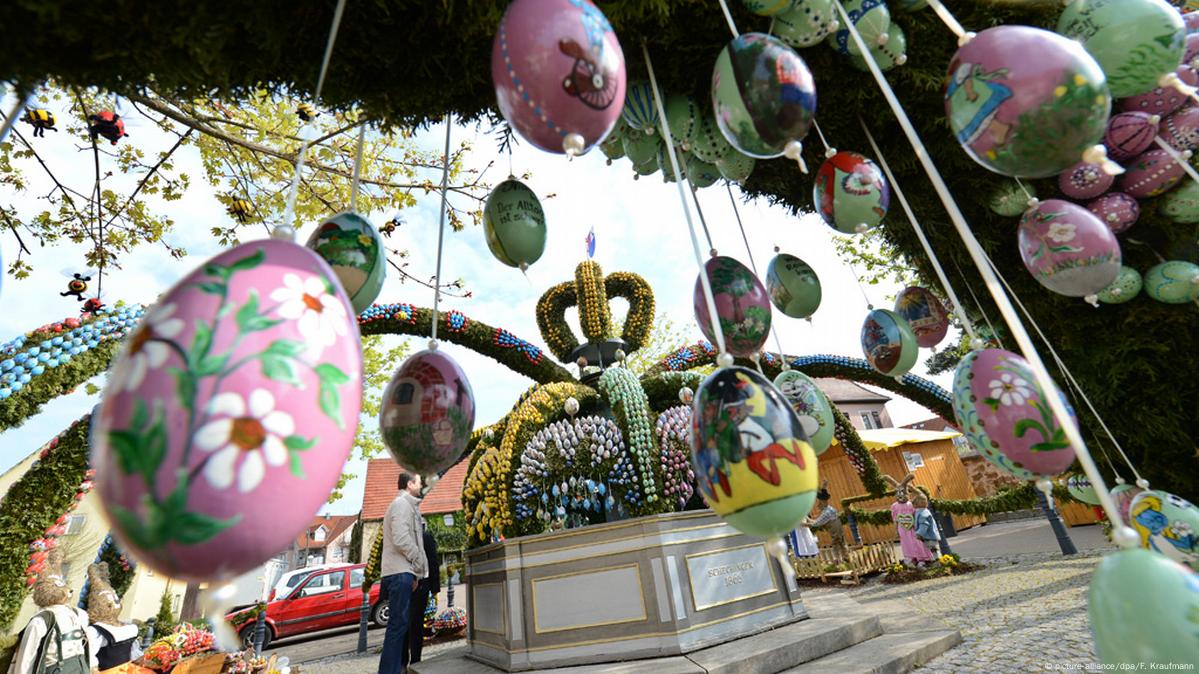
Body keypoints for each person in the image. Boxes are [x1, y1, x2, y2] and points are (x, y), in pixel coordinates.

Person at [378, 472, 427, 674]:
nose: (422, 484)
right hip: (399, 573)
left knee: (399, 626)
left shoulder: (407, 505)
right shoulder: (401, 505)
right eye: (418, 481)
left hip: (403, 572)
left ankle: (394, 670)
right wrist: (417, 559)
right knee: (397, 627)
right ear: (409, 484)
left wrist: (414, 573)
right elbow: (400, 539)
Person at [404, 523, 440, 667]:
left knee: (416, 624)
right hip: (407, 585)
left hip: (422, 586)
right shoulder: (404, 540)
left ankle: (415, 659)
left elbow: (433, 562)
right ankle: (407, 659)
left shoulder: (425, 538)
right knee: (408, 624)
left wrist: (435, 587)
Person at [912, 492, 942, 563]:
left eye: (915, 503)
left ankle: (938, 561)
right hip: (929, 535)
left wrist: (919, 533)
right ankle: (936, 560)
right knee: (932, 549)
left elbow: (924, 524)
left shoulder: (923, 513)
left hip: (930, 535)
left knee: (934, 548)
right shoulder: (922, 511)